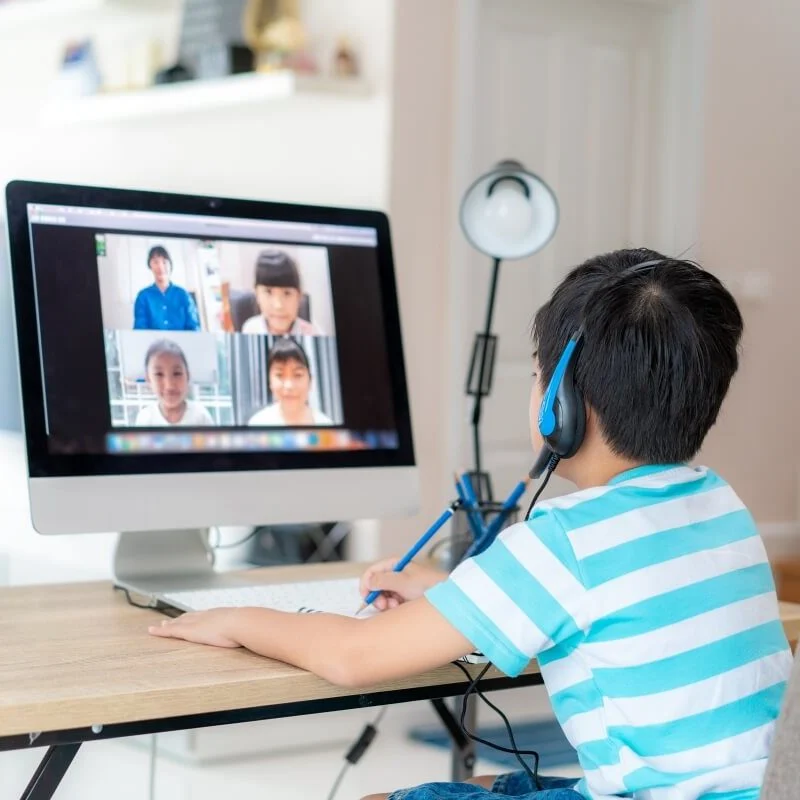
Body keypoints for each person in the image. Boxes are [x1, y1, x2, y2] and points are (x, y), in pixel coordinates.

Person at [150, 249, 790, 800]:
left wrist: (238, 617)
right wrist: (458, 595)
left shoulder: (564, 539)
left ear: (561, 405)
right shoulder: (718, 503)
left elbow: (352, 656)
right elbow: (623, 619)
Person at [247, 336, 334, 426]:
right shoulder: (257, 423)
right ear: (269, 381)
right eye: (279, 375)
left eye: (298, 375)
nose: (289, 386)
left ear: (310, 381)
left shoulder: (326, 424)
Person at [241, 248, 323, 336]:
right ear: (257, 294)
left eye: (287, 293)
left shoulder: (313, 334)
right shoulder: (250, 329)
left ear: (299, 296)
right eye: (268, 292)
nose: (278, 306)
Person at [135, 339, 214, 427]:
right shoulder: (145, 419)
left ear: (187, 376)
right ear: (149, 380)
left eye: (177, 373)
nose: (169, 385)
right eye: (159, 374)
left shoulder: (201, 416)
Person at [133, 245, 201, 331]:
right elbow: (140, 329)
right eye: (156, 262)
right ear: (150, 266)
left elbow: (194, 328)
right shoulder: (143, 296)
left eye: (164, 262)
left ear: (170, 265)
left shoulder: (183, 295)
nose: (160, 267)